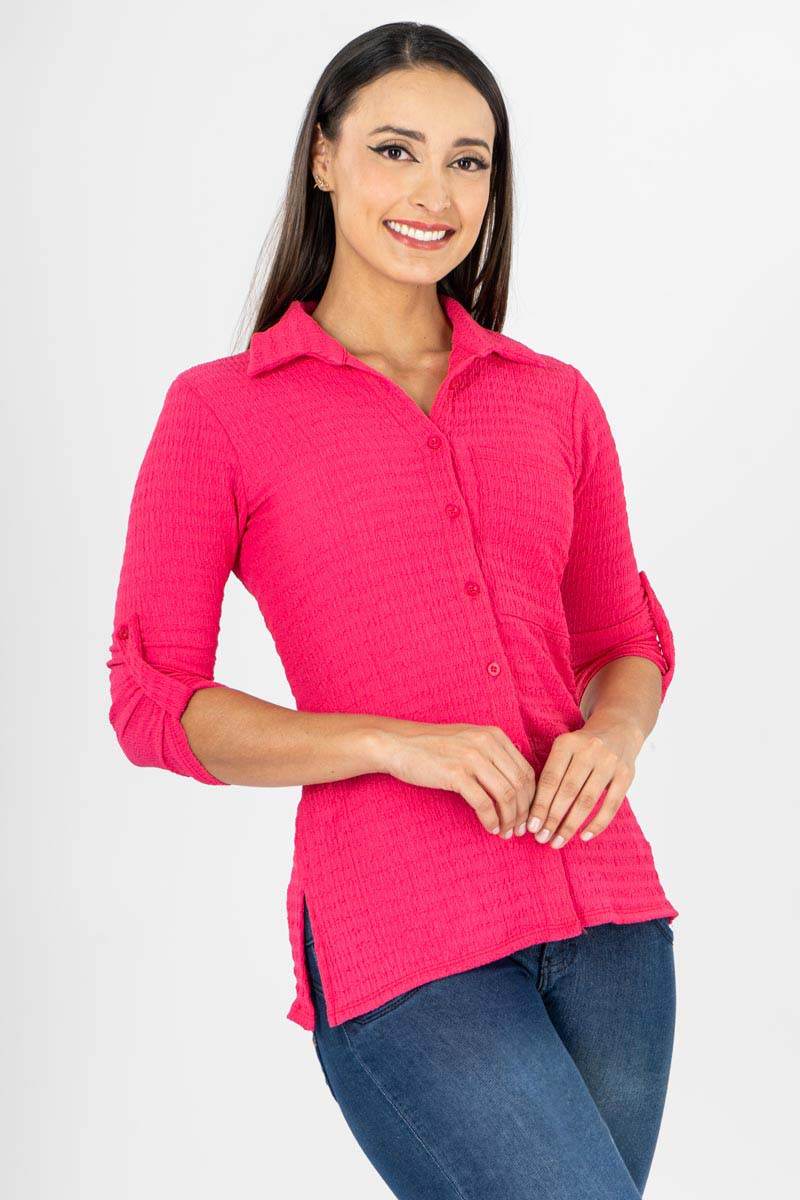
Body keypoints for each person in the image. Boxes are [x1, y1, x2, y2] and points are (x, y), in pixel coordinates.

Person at [106, 21, 679, 1198]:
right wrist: (390, 743)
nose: (434, 192)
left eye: (468, 161)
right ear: (323, 157)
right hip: (403, 932)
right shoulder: (221, 413)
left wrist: (614, 732)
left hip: (610, 920)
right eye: (395, 150)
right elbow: (152, 698)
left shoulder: (553, 401)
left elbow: (623, 639)